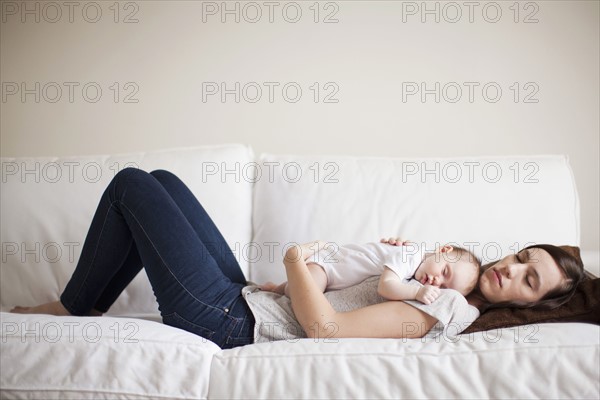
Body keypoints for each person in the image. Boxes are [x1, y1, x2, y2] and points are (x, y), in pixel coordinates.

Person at [10, 168, 585, 348]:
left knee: (131, 186)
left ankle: (71, 308)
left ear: (533, 306)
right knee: (160, 180)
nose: (509, 268)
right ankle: (76, 307)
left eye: (527, 279)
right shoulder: (446, 271)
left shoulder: (450, 311)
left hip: (232, 325)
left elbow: (327, 329)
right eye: (519, 256)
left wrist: (294, 262)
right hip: (249, 302)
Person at [260, 241, 481, 305]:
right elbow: (385, 287)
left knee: (294, 291)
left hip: (332, 275)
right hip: (326, 265)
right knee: (307, 298)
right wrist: (416, 293)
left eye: (443, 287)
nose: (436, 281)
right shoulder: (410, 255)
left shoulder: (415, 262)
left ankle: (274, 288)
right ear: (443, 250)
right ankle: (276, 289)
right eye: (444, 271)